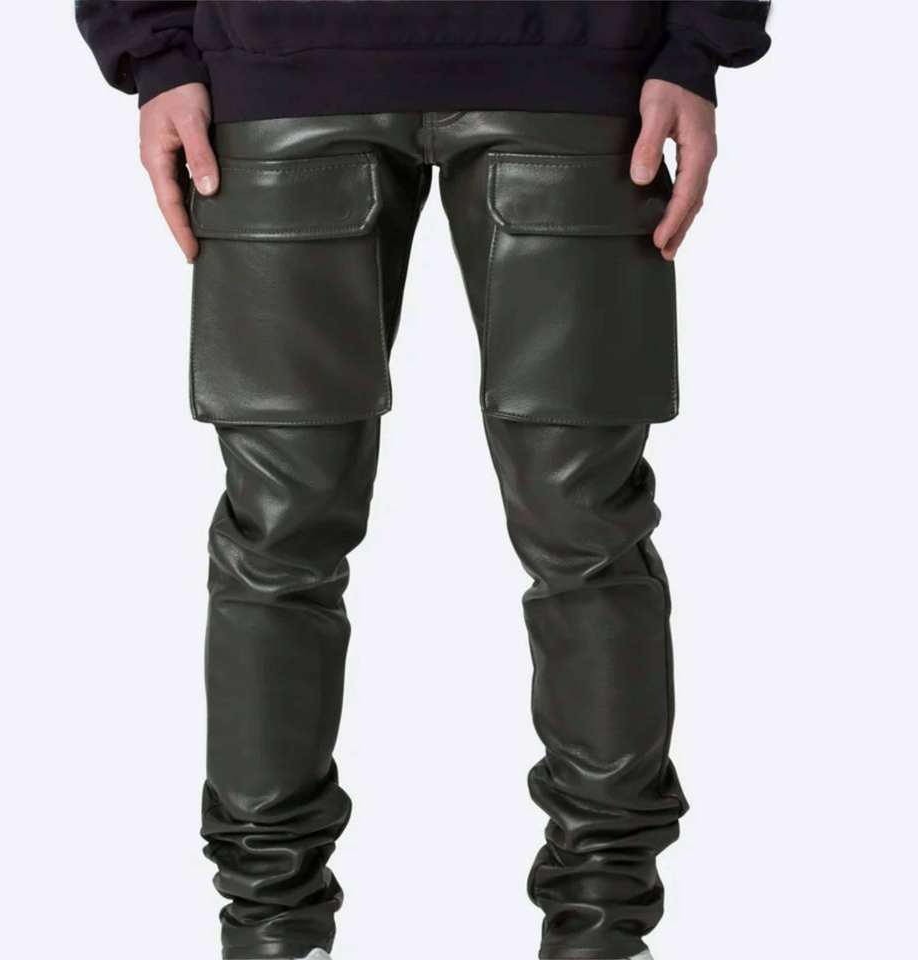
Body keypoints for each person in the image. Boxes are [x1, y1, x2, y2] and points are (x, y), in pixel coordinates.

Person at [78, 3, 771, 959]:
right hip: (367, 69)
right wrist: (153, 50)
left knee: (329, 541)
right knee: (560, 536)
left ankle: (596, 928)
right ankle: (280, 930)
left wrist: (696, 44)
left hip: (547, 68)